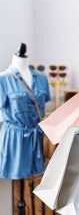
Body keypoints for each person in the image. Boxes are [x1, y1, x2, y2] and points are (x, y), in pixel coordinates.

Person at [0, 43, 50, 179]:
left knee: (36, 179)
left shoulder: (42, 78)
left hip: (37, 138)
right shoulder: (3, 79)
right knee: (18, 181)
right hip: (15, 140)